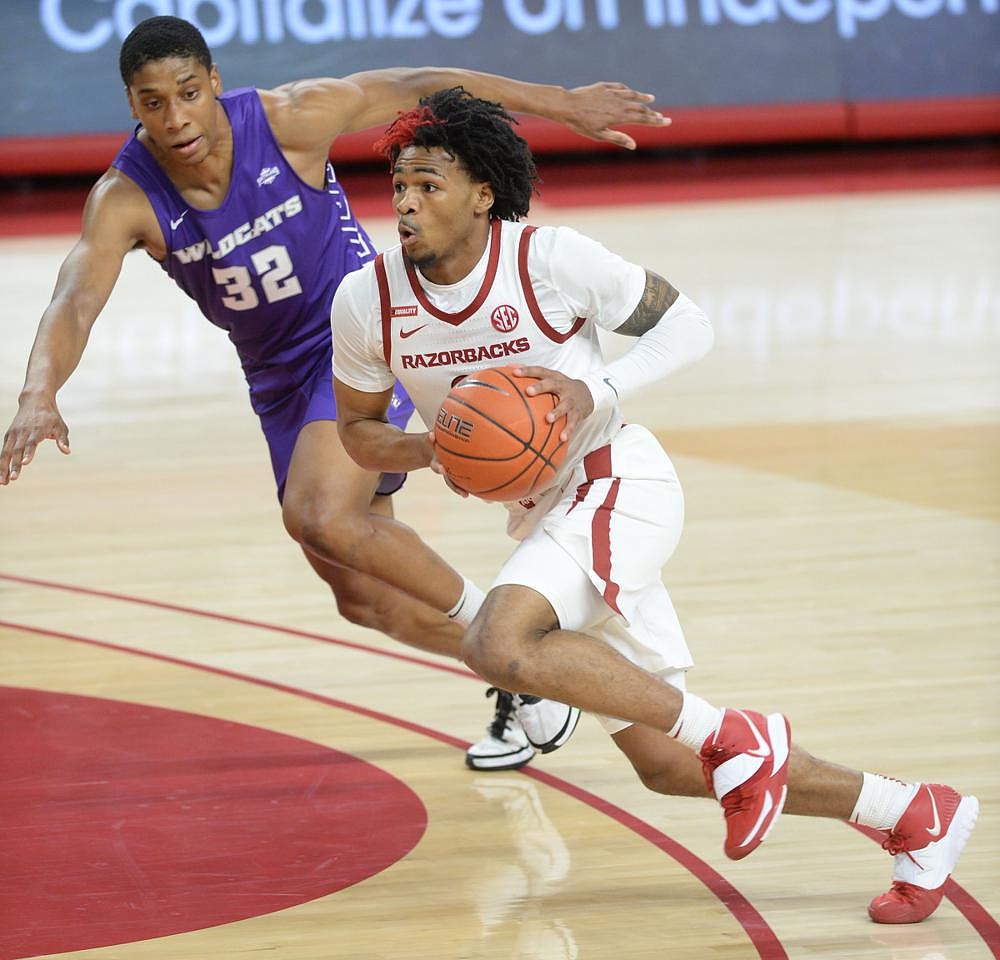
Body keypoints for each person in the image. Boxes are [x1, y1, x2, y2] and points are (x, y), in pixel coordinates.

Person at [330, 87, 978, 924]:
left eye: (429, 185)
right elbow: (356, 433)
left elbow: (690, 325)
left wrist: (591, 386)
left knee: (497, 641)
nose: (407, 204)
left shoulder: (548, 260)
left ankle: (741, 734)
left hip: (614, 481)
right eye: (400, 187)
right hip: (539, 517)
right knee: (668, 765)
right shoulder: (368, 300)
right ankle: (914, 815)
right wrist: (431, 447)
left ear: (483, 194)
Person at [0, 16, 671, 769]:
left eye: (189, 92)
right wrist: (37, 392)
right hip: (277, 377)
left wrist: (560, 102)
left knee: (318, 512)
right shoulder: (126, 196)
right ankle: (528, 672)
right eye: (154, 102)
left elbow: (423, 88)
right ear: (132, 103)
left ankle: (512, 641)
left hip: (364, 336)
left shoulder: (291, 118)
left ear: (214, 81)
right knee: (365, 598)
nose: (177, 116)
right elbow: (74, 299)